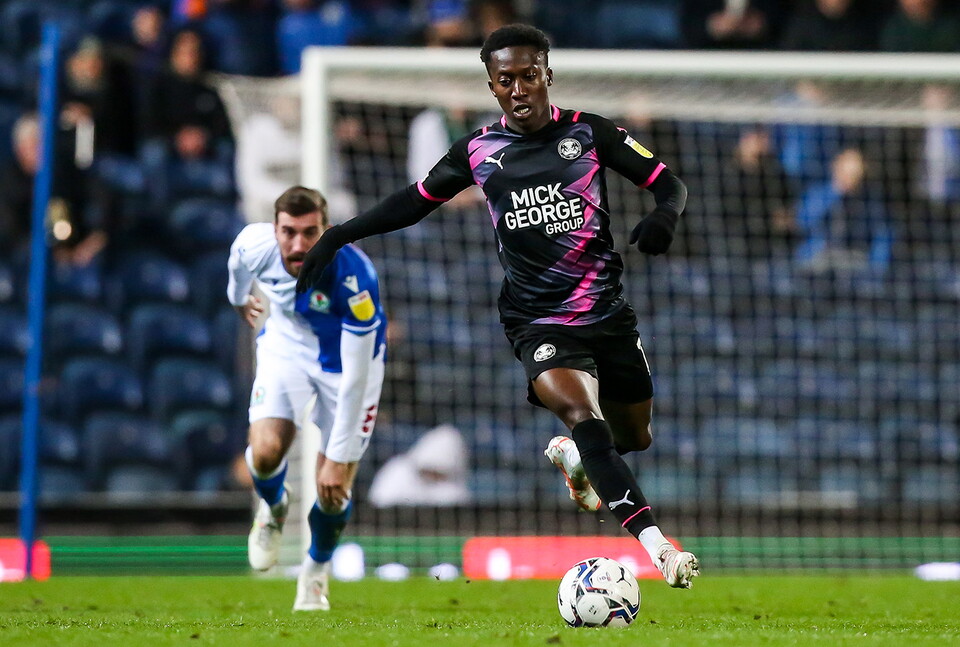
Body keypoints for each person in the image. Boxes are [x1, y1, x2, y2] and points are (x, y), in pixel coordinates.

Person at [296, 24, 700, 589]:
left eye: (528, 76)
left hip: (606, 313)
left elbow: (670, 183)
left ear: (547, 76)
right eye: (505, 79)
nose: (518, 89)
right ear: (491, 86)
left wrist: (663, 215)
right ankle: (659, 547)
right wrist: (338, 235)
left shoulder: (592, 133)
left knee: (633, 438)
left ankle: (580, 458)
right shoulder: (480, 150)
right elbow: (412, 203)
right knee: (585, 417)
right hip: (536, 321)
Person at [227, 186, 387, 610]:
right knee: (263, 453)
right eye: (288, 232)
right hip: (288, 347)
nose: (298, 244)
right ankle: (274, 505)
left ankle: (315, 572)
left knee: (332, 486)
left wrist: (337, 454)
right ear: (275, 228)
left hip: (351, 370)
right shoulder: (253, 243)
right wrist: (238, 298)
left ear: (328, 230)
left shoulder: (355, 279)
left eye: (310, 232)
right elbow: (238, 266)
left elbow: (354, 377)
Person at [368, 424, 472, 507]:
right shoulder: (398, 470)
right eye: (430, 469)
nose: (433, 474)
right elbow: (379, 501)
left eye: (439, 472)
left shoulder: (453, 489)